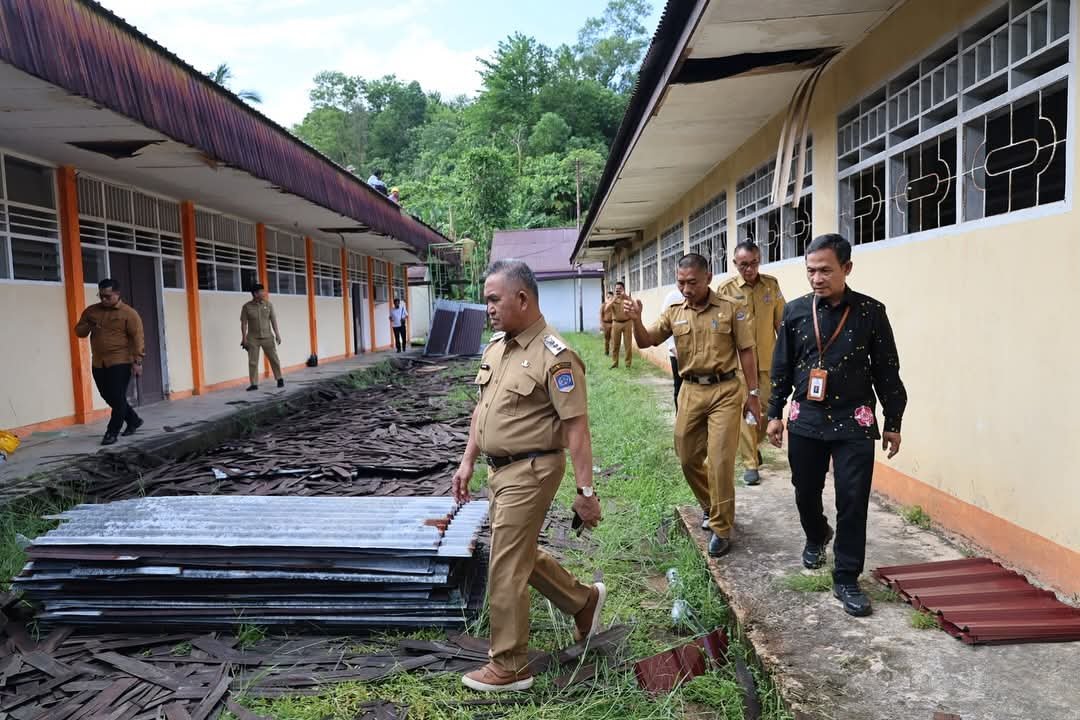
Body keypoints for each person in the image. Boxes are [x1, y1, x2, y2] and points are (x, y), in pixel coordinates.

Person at [451, 259, 605, 693]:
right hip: (499, 471)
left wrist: (586, 492)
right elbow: (483, 412)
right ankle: (583, 601)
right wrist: (467, 461)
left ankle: (510, 664)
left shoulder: (555, 354)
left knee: (505, 562)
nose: (489, 309)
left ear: (522, 298)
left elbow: (576, 425)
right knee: (516, 551)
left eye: (494, 300)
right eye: (487, 301)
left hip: (533, 469)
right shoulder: (498, 347)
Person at [766, 234, 907, 617]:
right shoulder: (795, 313)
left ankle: (846, 576)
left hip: (854, 420)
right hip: (807, 420)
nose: (817, 278)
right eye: (811, 270)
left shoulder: (871, 312)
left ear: (846, 268)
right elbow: (781, 369)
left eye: (825, 270)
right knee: (804, 490)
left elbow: (887, 370)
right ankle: (816, 534)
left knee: (853, 499)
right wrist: (774, 413)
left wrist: (893, 420)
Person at [624, 254, 760, 558]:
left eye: (692, 283)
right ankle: (712, 507)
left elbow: (747, 351)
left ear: (708, 278)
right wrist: (635, 319)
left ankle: (722, 528)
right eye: (681, 282)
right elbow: (646, 341)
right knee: (687, 456)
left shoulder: (730, 309)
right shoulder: (674, 312)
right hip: (690, 390)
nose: (686, 288)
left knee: (721, 460)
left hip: (725, 389)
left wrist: (753, 392)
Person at [717, 241, 785, 486]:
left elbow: (782, 324)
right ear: (735, 264)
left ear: (759, 260)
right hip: (740, 366)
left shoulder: (771, 285)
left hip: (768, 361)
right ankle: (750, 464)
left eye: (754, 263)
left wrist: (787, 357)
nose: (749, 269)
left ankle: (754, 448)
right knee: (748, 411)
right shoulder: (725, 289)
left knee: (766, 413)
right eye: (744, 264)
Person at [73, 278, 145, 446]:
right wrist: (89, 325)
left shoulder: (129, 313)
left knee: (118, 397)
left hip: (121, 360)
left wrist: (138, 361)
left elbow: (138, 338)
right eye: (101, 296)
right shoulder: (91, 311)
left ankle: (112, 432)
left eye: (108, 296)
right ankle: (133, 420)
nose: (104, 299)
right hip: (99, 361)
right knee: (108, 396)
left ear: (117, 294)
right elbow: (79, 332)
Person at [240, 283, 283, 391]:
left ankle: (279, 378)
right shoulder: (246, 307)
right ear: (255, 294)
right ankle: (254, 384)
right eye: (261, 292)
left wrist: (277, 335)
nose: (263, 293)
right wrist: (244, 338)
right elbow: (244, 323)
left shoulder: (268, 305)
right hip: (252, 338)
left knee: (274, 359)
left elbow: (273, 320)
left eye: (263, 291)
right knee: (253, 362)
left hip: (267, 337)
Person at [662, 287, 684, 411]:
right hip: (677, 352)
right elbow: (665, 325)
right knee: (679, 385)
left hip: (698, 354)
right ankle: (679, 416)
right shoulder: (672, 297)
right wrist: (672, 347)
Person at [608, 281, 633, 369]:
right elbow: (606, 308)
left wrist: (625, 296)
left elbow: (633, 305)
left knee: (628, 345)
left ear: (623, 289)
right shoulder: (612, 299)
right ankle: (615, 363)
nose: (618, 291)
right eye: (616, 289)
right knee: (615, 345)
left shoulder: (627, 298)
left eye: (620, 289)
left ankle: (628, 364)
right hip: (616, 323)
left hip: (627, 323)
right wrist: (614, 299)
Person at [600, 291, 614, 356]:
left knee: (613, 339)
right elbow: (601, 315)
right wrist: (601, 325)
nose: (609, 298)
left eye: (610, 297)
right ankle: (606, 352)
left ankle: (614, 353)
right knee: (606, 339)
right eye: (608, 297)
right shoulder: (603, 305)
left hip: (613, 323)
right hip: (606, 324)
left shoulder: (614, 305)